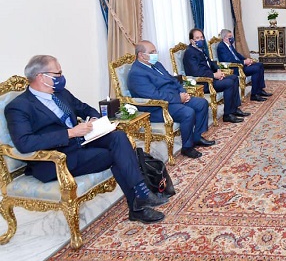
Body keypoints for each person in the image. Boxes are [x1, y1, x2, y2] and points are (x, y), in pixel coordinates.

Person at [5, 55, 166, 223]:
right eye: (58, 73)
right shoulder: (19, 107)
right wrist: (70, 133)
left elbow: (84, 108)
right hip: (56, 159)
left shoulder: (61, 93)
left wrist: (94, 119)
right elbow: (25, 143)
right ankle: (139, 206)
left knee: (118, 137)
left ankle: (142, 193)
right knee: (116, 155)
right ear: (41, 77)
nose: (61, 77)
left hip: (81, 141)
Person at [128, 40, 212, 159]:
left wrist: (183, 92)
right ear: (141, 55)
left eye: (155, 51)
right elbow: (154, 95)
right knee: (187, 113)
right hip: (157, 107)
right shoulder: (136, 73)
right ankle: (187, 147)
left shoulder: (157, 64)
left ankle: (196, 137)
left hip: (173, 98)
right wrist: (178, 98)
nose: (155, 54)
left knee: (201, 103)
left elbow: (173, 80)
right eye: (152, 52)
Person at [184, 28, 250, 122]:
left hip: (210, 77)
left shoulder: (200, 49)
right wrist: (214, 75)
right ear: (192, 40)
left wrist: (218, 70)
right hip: (203, 83)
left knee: (234, 78)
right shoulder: (190, 53)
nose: (201, 40)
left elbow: (210, 63)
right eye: (197, 38)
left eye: (202, 37)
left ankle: (234, 109)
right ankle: (227, 115)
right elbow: (196, 72)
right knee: (229, 83)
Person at [216, 28, 271, 102]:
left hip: (240, 65)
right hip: (234, 68)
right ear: (225, 38)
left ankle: (260, 90)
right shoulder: (221, 47)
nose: (232, 38)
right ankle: (254, 95)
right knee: (256, 69)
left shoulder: (229, 45)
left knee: (260, 65)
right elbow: (229, 61)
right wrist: (244, 62)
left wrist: (247, 60)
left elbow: (237, 55)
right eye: (230, 36)